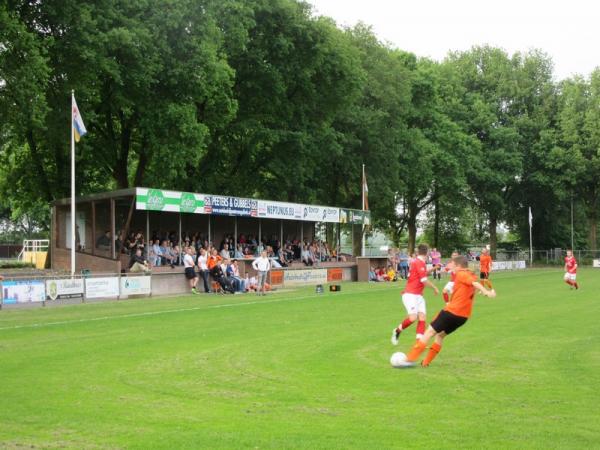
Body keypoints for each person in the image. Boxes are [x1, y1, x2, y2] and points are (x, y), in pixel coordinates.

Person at [405, 255, 496, 367]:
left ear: (458, 266)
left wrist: (486, 292)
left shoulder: (461, 274)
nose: (452, 268)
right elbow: (473, 286)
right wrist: (486, 292)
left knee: (429, 332)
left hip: (451, 312)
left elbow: (474, 284)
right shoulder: (471, 275)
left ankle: (409, 359)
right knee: (440, 336)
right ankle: (425, 363)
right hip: (463, 317)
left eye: (453, 265)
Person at [391, 244, 439, 345]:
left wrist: (433, 269)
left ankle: (418, 344)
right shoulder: (418, 262)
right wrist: (434, 287)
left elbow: (421, 274)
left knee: (422, 317)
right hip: (410, 294)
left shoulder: (419, 262)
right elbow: (424, 280)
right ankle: (397, 330)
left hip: (418, 295)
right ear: (427, 253)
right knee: (413, 318)